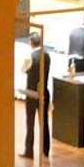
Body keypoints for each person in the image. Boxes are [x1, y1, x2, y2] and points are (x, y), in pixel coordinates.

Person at [21, 27, 52, 159]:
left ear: (30, 43)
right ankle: (45, 149)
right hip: (44, 91)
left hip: (32, 92)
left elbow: (23, 70)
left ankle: (29, 151)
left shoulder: (30, 57)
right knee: (44, 121)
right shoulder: (47, 55)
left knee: (30, 122)